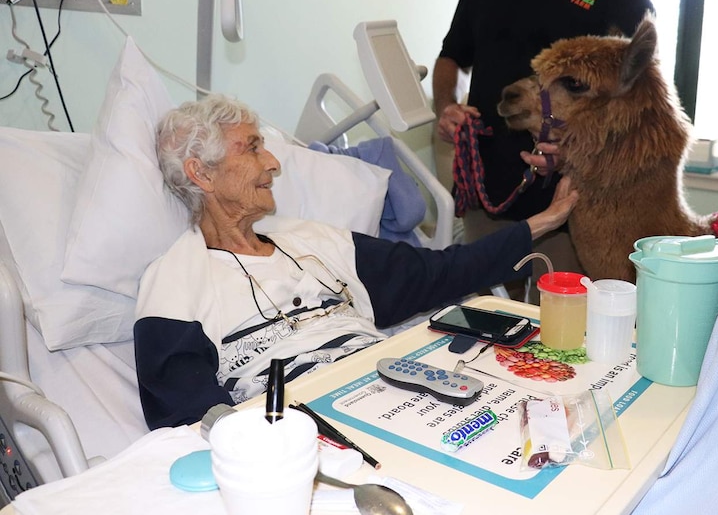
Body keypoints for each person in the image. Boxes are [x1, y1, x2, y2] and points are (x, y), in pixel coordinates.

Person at [133, 94, 578, 430]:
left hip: (406, 392)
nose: (273, 163)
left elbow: (439, 272)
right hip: (309, 430)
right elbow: (191, 415)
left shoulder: (316, 241)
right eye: (251, 148)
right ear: (201, 173)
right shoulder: (173, 280)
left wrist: (543, 222)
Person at [433, 0, 653, 302]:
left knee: (558, 330)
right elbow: (452, 56)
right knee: (487, 321)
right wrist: (446, 107)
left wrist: (581, 153)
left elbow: (640, 96)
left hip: (571, 197)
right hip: (489, 187)